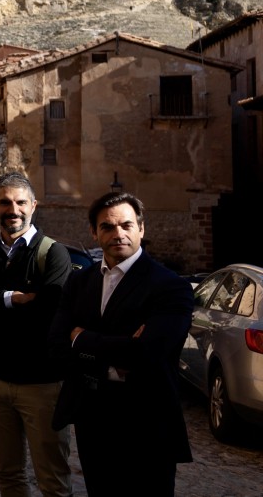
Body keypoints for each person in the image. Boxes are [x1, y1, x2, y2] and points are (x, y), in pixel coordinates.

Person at [49, 193, 193, 497]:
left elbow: (149, 353)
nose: (118, 234)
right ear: (94, 232)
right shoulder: (78, 282)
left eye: (127, 225)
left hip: (147, 422)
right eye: (108, 227)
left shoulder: (170, 286)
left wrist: (83, 339)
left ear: (142, 228)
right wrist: (121, 347)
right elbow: (57, 345)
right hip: (93, 418)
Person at [0, 173, 72, 497]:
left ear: (33, 205)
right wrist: (12, 298)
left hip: (41, 386)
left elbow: (46, 312)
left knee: (53, 480)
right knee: (8, 474)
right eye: (5, 202)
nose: (13, 209)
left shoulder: (54, 255)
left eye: (21, 202)